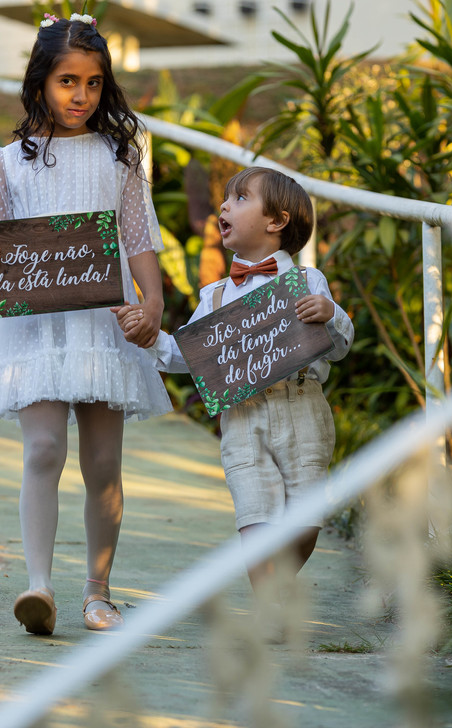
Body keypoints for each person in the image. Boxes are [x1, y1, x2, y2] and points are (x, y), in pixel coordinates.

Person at [0, 12, 170, 636]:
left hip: (104, 327)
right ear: (40, 84)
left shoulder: (119, 154)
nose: (80, 96)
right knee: (44, 449)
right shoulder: (7, 163)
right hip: (36, 331)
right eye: (67, 82)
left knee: (103, 464)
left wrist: (152, 305)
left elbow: (139, 237)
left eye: (94, 83)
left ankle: (99, 591)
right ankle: (39, 588)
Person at [116, 167, 353, 639]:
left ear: (276, 221)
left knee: (306, 517)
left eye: (239, 199)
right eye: (225, 199)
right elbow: (190, 354)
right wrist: (150, 338)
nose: (223, 206)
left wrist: (331, 316)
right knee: (256, 512)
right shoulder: (215, 295)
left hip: (301, 408)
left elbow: (341, 345)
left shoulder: (309, 282)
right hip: (241, 416)